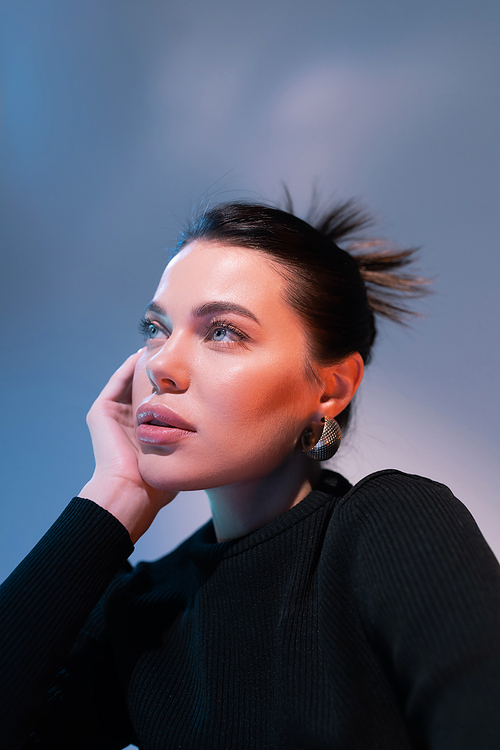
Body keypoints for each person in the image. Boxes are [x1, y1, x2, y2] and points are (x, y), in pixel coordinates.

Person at [1, 198, 500, 749]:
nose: (161, 364)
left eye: (222, 332)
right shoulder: (142, 609)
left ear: (330, 389)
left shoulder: (389, 525)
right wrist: (113, 497)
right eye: (156, 327)